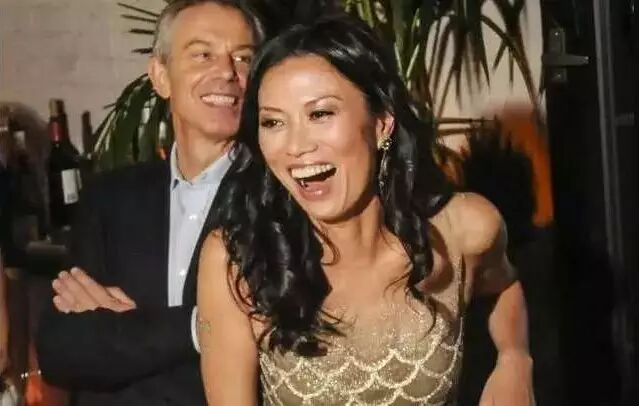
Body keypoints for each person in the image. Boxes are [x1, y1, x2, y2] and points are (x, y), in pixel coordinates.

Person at [197, 14, 535, 405]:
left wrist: (514, 358)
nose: (296, 146)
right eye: (273, 122)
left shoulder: (464, 230)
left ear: (381, 124)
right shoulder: (238, 260)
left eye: (320, 114)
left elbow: (504, 286)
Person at [35, 1, 266, 404]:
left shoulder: (276, 195)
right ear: (160, 76)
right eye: (203, 54)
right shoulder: (109, 198)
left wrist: (126, 335)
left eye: (243, 58)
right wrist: (198, 327)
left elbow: (274, 352)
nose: (228, 72)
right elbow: (60, 351)